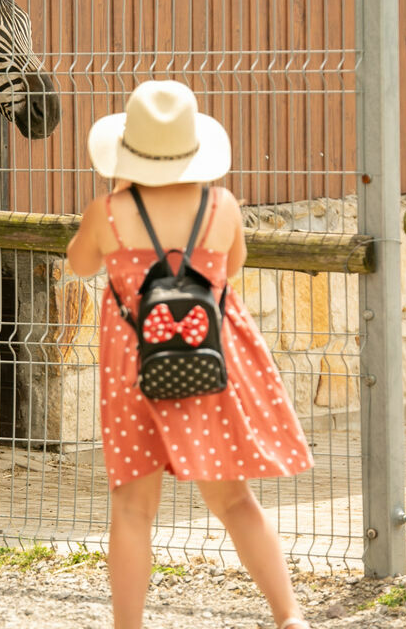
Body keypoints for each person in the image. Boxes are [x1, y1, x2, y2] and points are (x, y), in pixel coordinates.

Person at [66, 80, 314, 629]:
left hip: (135, 373)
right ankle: (289, 616)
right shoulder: (222, 206)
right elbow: (234, 265)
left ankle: (128, 626)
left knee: (132, 508)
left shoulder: (106, 213)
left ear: (129, 153)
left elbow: (80, 263)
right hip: (208, 365)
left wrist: (124, 197)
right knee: (234, 502)